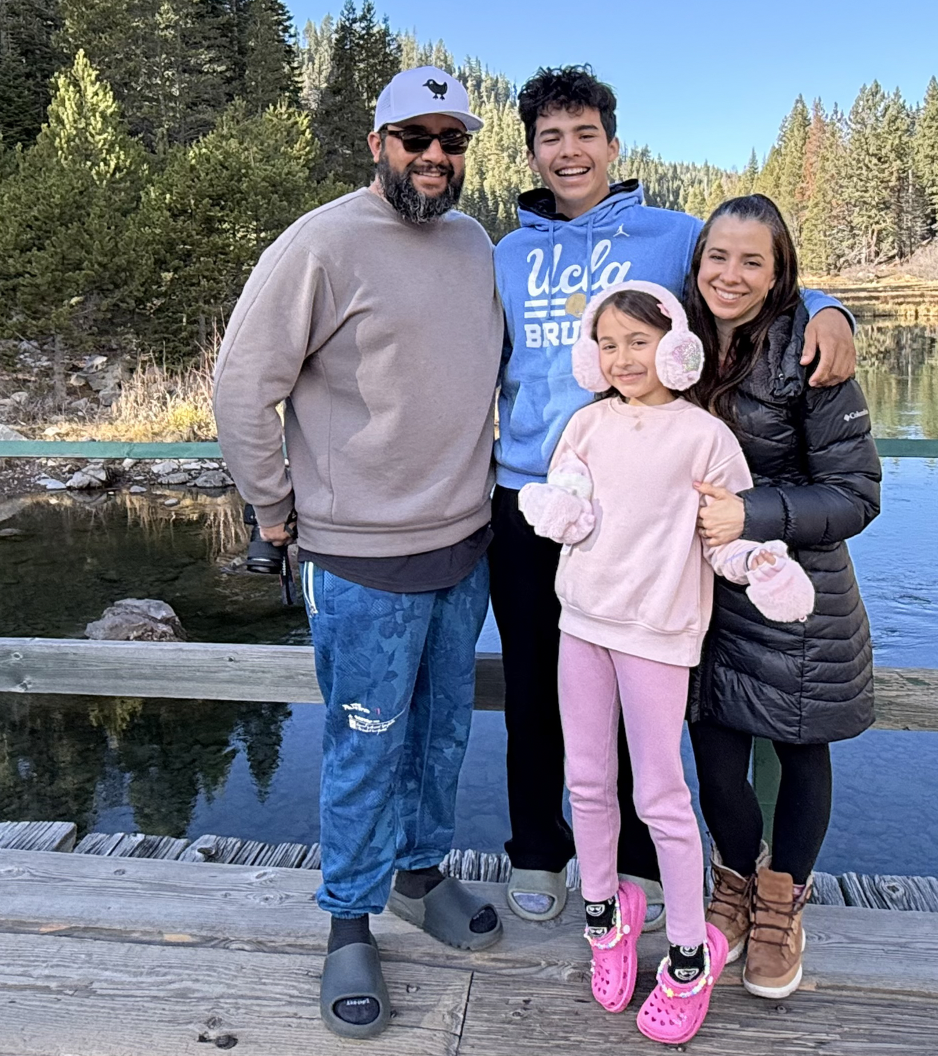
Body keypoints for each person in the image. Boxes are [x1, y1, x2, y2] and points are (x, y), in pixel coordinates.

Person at [493, 64, 856, 927]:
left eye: (585, 134)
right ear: (536, 153)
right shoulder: (506, 253)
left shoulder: (669, 236)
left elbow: (757, 270)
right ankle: (541, 851)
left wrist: (835, 309)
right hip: (528, 497)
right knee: (540, 687)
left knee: (642, 686)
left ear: (613, 145)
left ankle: (638, 861)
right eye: (551, 137)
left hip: (646, 507)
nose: (569, 151)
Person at [212, 66, 505, 1041]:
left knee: (441, 735)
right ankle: (349, 919)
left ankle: (420, 876)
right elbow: (242, 385)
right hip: (358, 561)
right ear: (376, 143)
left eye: (450, 139)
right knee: (365, 745)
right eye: (414, 137)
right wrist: (271, 510)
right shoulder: (322, 242)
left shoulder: (473, 244)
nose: (433, 155)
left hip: (465, 546)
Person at [519, 279, 815, 1045]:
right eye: (608, 344)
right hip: (580, 625)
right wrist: (557, 508)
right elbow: (569, 502)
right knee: (585, 781)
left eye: (638, 342)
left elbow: (725, 537)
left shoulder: (705, 437)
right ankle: (606, 918)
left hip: (658, 636)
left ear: (676, 348)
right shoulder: (584, 425)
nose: (623, 358)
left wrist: (762, 563)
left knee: (661, 795)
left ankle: (688, 954)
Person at [684, 195, 883, 1000]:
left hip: (793, 598)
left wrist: (750, 513)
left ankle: (780, 901)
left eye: (752, 261)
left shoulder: (810, 353)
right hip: (702, 596)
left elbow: (857, 494)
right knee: (716, 757)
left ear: (779, 274)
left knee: (802, 751)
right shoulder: (679, 344)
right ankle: (733, 880)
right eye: (717, 258)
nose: (730, 275)